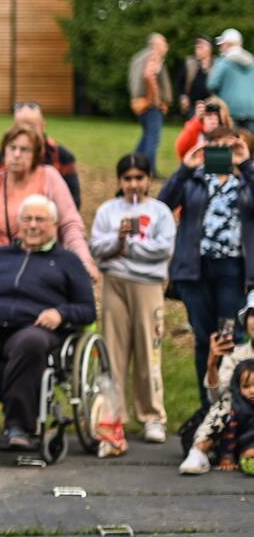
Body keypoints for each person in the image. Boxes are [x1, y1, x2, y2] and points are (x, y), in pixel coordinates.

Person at [0, 195, 96, 450]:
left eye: (40, 219)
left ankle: (18, 425)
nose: (33, 225)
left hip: (34, 328)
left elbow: (87, 309)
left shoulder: (67, 261)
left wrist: (60, 313)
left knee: (29, 344)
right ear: (18, 223)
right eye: (27, 219)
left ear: (54, 225)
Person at [158, 128, 254, 406]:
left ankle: (236, 406)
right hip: (195, 270)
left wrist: (245, 165)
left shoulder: (246, 180)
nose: (222, 153)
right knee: (203, 339)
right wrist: (185, 169)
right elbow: (162, 206)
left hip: (232, 272)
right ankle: (208, 405)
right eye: (216, 147)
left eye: (229, 147)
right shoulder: (194, 179)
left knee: (230, 337)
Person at [89, 154, 176, 444]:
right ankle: (114, 415)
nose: (134, 184)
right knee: (114, 351)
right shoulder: (108, 211)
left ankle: (152, 415)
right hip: (115, 284)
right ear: (119, 181)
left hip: (148, 285)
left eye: (139, 178)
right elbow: (97, 246)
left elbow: (163, 249)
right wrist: (119, 240)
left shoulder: (160, 211)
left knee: (148, 349)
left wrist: (130, 251)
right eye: (127, 178)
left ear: (149, 180)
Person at [0, 125, 97, 277]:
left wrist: (84, 260)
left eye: (24, 149)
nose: (17, 154)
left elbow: (70, 225)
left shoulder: (50, 178)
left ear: (35, 154)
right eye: (12, 148)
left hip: (42, 269)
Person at [180, 306, 254, 474]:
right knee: (226, 401)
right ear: (245, 320)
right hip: (240, 421)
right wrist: (212, 363)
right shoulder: (236, 354)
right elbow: (216, 397)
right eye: (253, 315)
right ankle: (199, 451)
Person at [0, 101, 82, 208]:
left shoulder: (61, 156)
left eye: (32, 127)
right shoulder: (4, 156)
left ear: (43, 126)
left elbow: (73, 202)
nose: (26, 132)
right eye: (20, 128)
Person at [128, 32, 171, 171]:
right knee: (153, 138)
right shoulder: (154, 56)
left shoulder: (138, 57)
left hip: (138, 103)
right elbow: (148, 75)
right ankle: (150, 169)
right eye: (164, 43)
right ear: (156, 45)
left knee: (147, 137)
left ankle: (132, 163)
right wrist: (156, 99)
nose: (167, 46)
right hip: (150, 105)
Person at [208, 28, 254, 131]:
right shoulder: (252, 62)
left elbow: (212, 85)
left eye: (222, 44)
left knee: (232, 143)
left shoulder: (223, 62)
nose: (220, 47)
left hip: (230, 110)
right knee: (251, 144)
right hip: (252, 110)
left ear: (227, 45)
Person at [175, 97, 232, 162]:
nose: (213, 120)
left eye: (217, 116)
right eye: (209, 115)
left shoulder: (230, 138)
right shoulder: (196, 133)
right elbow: (181, 150)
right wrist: (196, 121)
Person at [177, 36, 214, 118]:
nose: (197, 50)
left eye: (201, 47)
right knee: (193, 128)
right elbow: (180, 82)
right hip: (193, 106)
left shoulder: (217, 64)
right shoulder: (189, 63)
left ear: (209, 49)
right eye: (196, 47)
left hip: (212, 105)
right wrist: (183, 97)